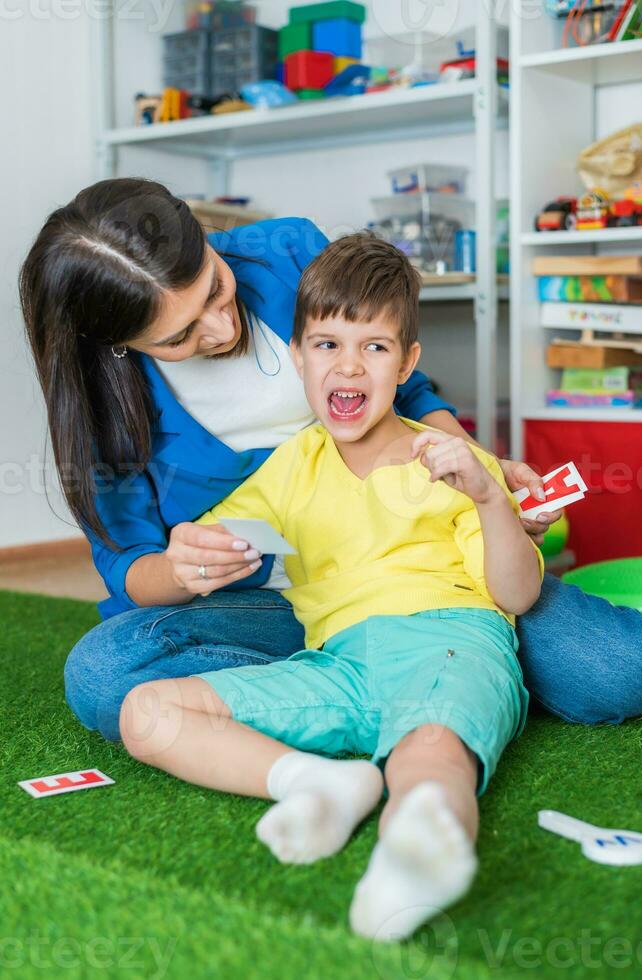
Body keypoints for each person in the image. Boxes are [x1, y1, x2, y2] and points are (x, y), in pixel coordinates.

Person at [19, 178, 642, 742]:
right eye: (178, 337)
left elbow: (406, 385)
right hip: (278, 608)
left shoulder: (291, 252)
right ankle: (410, 682)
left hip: (429, 577)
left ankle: (362, 686)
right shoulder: (104, 399)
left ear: (205, 236)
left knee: (618, 672)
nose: (219, 330)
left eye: (215, 288)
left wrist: (481, 474)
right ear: (116, 343)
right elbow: (127, 563)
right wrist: (179, 572)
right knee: (106, 673)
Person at [118, 233, 544, 941]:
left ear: (407, 362)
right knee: (146, 713)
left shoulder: (452, 463)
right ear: (297, 358)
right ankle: (316, 781)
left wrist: (491, 499)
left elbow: (519, 595)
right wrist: (190, 553)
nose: (347, 365)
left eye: (373, 348)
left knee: (429, 753)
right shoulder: (290, 468)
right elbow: (217, 543)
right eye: (326, 345)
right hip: (338, 666)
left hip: (447, 645)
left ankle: (414, 860)